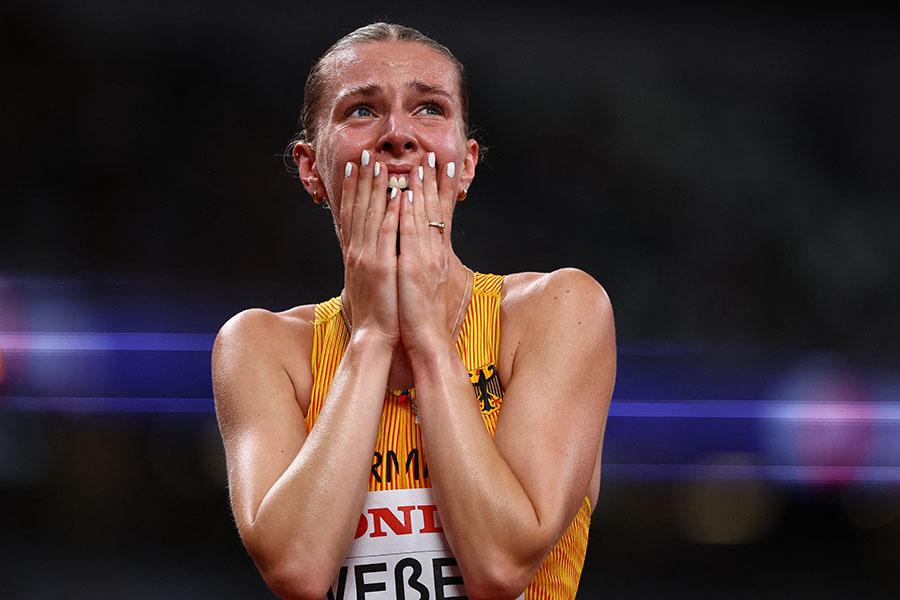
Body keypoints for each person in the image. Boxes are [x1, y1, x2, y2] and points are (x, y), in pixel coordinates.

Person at [212, 22, 615, 600]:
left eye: (429, 108)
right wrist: (372, 335)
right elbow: (299, 570)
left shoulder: (558, 311)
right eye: (361, 110)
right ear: (310, 167)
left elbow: (500, 567)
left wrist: (427, 337)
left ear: (466, 163)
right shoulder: (261, 347)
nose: (398, 134)